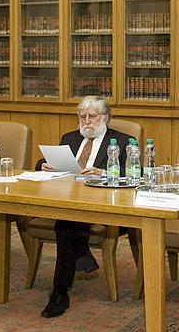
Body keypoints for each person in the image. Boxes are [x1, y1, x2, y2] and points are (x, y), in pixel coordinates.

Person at [35, 96, 129, 318]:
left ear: (105, 117)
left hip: (103, 204)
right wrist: (43, 165)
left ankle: (60, 291)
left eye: (92, 116)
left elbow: (133, 173)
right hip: (69, 200)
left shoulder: (122, 141)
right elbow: (43, 162)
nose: (87, 121)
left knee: (65, 225)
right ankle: (81, 254)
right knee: (68, 219)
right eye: (82, 116)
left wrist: (103, 173)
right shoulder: (69, 138)